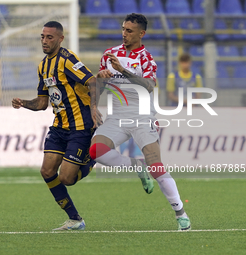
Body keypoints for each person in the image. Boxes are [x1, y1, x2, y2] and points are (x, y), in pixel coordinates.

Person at [89, 13, 191, 231]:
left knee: (156, 165)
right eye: (123, 29)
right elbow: (99, 84)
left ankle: (180, 211)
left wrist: (123, 70)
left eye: (129, 31)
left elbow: (149, 86)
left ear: (141, 34)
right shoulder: (109, 54)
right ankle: (136, 166)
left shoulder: (146, 59)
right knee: (96, 151)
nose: (124, 34)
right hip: (117, 115)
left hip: (142, 115)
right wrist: (94, 102)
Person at [12, 21, 100, 231]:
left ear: (61, 38)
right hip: (59, 127)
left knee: (67, 178)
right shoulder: (43, 66)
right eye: (42, 37)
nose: (44, 41)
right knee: (47, 171)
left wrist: (94, 108)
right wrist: (24, 103)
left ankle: (96, 155)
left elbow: (93, 82)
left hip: (80, 126)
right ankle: (75, 219)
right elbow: (42, 103)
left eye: (49, 37)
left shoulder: (68, 60)